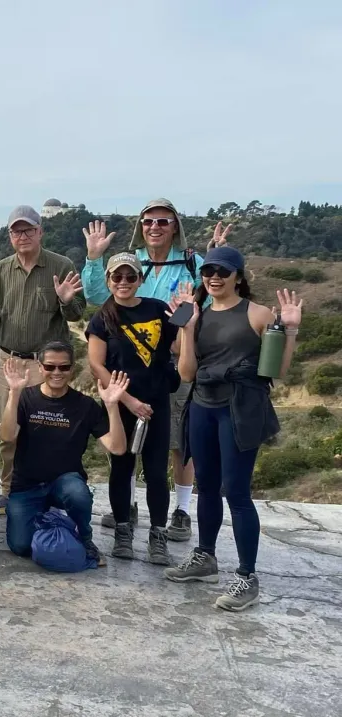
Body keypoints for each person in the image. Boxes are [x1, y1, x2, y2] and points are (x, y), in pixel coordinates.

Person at [82, 200, 232, 540]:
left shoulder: (192, 262)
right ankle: (128, 506)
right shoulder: (131, 263)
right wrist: (93, 258)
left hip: (172, 363)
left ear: (175, 226)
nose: (155, 227)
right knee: (124, 445)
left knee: (177, 440)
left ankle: (179, 510)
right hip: (126, 373)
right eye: (148, 221)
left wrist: (216, 260)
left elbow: (203, 304)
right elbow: (96, 295)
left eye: (163, 221)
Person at [164, 247, 302, 612]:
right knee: (206, 487)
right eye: (208, 270)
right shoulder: (197, 315)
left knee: (237, 493)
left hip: (240, 410)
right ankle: (205, 558)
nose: (214, 277)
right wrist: (189, 328)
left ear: (239, 276)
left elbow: (276, 370)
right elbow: (186, 373)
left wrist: (290, 329)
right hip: (203, 406)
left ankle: (247, 577)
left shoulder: (257, 314)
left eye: (223, 271)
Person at [0, 205, 86, 503]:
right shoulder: (2, 270)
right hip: (10, 362)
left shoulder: (60, 265)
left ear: (40, 231)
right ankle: (9, 489)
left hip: (48, 366)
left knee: (48, 429)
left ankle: (50, 490)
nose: (23, 236)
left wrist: (67, 301)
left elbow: (77, 311)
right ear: (10, 236)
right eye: (17, 231)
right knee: (10, 432)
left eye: (29, 229)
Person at [0, 342, 129, 566]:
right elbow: (7, 436)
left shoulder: (85, 405)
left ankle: (85, 538)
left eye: (63, 367)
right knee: (20, 546)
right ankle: (52, 520)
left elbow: (117, 448)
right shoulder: (26, 398)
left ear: (72, 369)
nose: (56, 373)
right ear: (40, 368)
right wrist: (14, 393)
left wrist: (111, 406)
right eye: (50, 367)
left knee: (77, 493)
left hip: (64, 483)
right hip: (26, 485)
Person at [85, 253, 179, 564]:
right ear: (109, 281)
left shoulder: (158, 310)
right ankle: (122, 532)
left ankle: (158, 535)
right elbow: (96, 364)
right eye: (116, 277)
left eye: (130, 277)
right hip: (120, 403)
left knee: (155, 472)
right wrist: (128, 401)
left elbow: (177, 347)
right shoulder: (102, 317)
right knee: (122, 468)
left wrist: (187, 317)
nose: (123, 283)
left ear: (140, 279)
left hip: (157, 401)